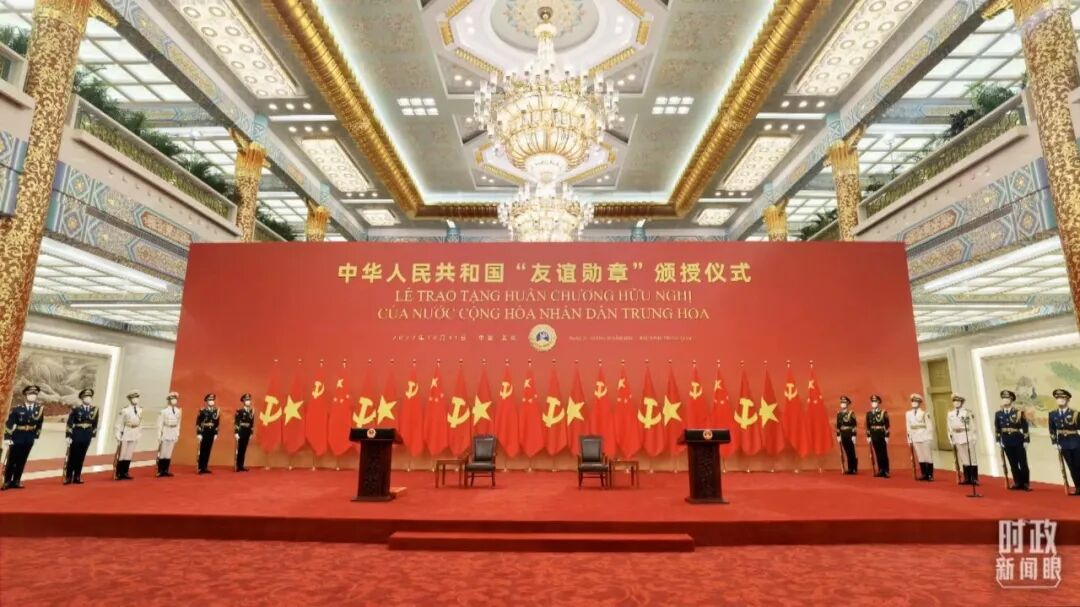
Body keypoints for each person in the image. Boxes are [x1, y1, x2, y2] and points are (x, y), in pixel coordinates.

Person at [2, 385, 44, 490]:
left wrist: (36, 436)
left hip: (29, 438)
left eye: (34, 394)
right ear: (26, 395)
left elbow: (39, 424)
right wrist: (7, 437)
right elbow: (9, 424)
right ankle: (7, 481)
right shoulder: (17, 409)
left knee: (22, 460)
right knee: (12, 460)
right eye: (30, 394)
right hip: (17, 437)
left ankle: (16, 481)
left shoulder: (39, 409)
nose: (32, 396)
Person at [994, 389, 1030, 491]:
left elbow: (1025, 427)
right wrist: (998, 439)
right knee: (1012, 463)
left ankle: (1025, 483)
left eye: (1007, 398)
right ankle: (1017, 482)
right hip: (1006, 440)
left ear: (1011, 400)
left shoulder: (1018, 413)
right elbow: (997, 428)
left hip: (1018, 440)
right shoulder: (998, 414)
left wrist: (1026, 440)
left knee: (1022, 463)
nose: (1005, 400)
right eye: (1003, 398)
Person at [64, 388, 99, 484]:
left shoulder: (95, 410)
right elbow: (70, 423)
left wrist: (93, 435)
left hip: (87, 435)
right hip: (77, 434)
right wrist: (68, 436)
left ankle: (77, 476)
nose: (88, 399)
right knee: (73, 456)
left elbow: (95, 424)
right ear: (82, 398)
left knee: (81, 456)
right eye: (86, 397)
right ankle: (68, 476)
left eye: (90, 397)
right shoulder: (76, 409)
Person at [1048, 388, 1079, 496]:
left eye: (1062, 399)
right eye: (1058, 399)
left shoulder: (1075, 413)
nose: (1060, 401)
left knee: (1078, 465)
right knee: (1071, 467)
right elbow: (1052, 429)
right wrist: (1054, 442)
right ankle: (1078, 488)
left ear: (1067, 400)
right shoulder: (1052, 414)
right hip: (1063, 443)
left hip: (1076, 442)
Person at [946, 394, 979, 486]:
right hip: (957, 436)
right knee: (963, 458)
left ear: (962, 402)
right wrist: (950, 438)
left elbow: (973, 426)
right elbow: (949, 427)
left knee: (972, 457)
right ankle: (967, 478)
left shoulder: (967, 412)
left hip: (967, 435)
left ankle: (974, 478)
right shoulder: (950, 414)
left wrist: (974, 437)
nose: (956, 403)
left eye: (958, 401)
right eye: (954, 401)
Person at [114, 391, 142, 480]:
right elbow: (119, 423)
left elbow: (140, 423)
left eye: (137, 397)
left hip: (134, 432)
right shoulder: (125, 410)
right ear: (130, 399)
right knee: (122, 454)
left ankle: (125, 472)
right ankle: (118, 473)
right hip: (126, 432)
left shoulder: (140, 409)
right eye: (133, 398)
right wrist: (118, 435)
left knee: (129, 454)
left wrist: (139, 434)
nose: (135, 399)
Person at [906, 393, 935, 481]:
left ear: (919, 403)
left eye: (916, 402)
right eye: (912, 401)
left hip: (924, 436)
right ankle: (924, 474)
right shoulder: (908, 413)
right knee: (920, 456)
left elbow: (929, 426)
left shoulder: (924, 413)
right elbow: (908, 427)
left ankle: (930, 475)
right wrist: (909, 439)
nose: (913, 403)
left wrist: (929, 437)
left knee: (927, 456)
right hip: (915, 437)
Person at [156, 392, 182, 477]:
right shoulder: (164, 411)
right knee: (163, 452)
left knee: (169, 452)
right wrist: (159, 435)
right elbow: (160, 424)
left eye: (175, 399)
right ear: (169, 400)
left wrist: (177, 434)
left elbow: (178, 424)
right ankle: (160, 471)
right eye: (172, 399)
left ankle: (166, 470)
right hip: (166, 431)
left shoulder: (178, 411)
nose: (174, 400)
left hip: (173, 432)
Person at [866, 394, 890, 478]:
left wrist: (887, 436)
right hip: (873, 434)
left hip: (881, 434)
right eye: (872, 401)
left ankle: (886, 470)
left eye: (875, 401)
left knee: (883, 453)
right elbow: (868, 426)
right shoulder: (869, 413)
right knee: (877, 453)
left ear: (878, 402)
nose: (873, 403)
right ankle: (880, 470)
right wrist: (868, 436)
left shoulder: (883, 412)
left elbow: (887, 425)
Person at [196, 393, 220, 474]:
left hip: (211, 432)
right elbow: (198, 422)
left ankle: (205, 467)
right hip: (204, 432)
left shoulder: (216, 411)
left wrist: (216, 433)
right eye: (210, 400)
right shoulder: (202, 410)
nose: (211, 401)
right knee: (202, 450)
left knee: (208, 450)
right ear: (206, 401)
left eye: (212, 400)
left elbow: (217, 423)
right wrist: (199, 433)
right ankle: (200, 467)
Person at [835, 395, 858, 474]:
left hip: (849, 433)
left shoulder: (851, 413)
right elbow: (838, 426)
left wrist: (854, 435)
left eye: (844, 402)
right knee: (847, 452)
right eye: (841, 402)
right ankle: (850, 468)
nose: (842, 404)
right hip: (843, 434)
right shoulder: (839, 414)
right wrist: (838, 435)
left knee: (852, 451)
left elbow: (854, 425)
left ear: (847, 404)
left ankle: (854, 468)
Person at [234, 393, 255, 472]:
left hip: (247, 432)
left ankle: (241, 465)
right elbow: (237, 422)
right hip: (241, 431)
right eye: (246, 400)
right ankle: (238, 466)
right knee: (239, 449)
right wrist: (236, 432)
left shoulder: (251, 411)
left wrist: (251, 432)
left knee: (244, 449)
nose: (248, 401)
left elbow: (252, 423)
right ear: (243, 401)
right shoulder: (240, 411)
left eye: (249, 400)